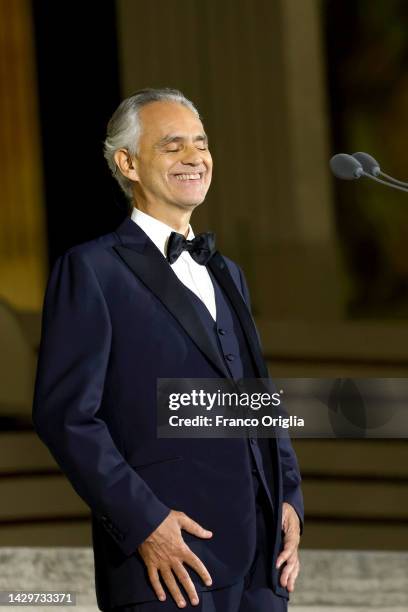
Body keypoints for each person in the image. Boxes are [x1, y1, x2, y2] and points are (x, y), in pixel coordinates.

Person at [32, 88, 304, 612]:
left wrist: (288, 494)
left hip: (263, 564)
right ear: (127, 163)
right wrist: (145, 523)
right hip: (168, 564)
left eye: (201, 143)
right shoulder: (92, 270)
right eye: (172, 145)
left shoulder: (227, 273)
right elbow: (66, 416)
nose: (195, 157)